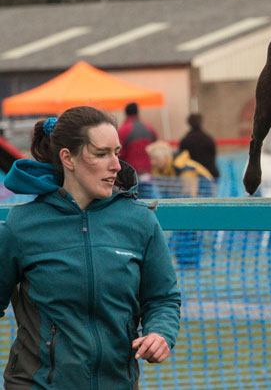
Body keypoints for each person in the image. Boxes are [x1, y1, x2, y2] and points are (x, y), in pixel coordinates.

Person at [0, 106, 180, 389]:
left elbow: (163, 299)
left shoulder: (140, 221)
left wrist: (160, 333)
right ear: (67, 158)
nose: (116, 165)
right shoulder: (21, 226)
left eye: (117, 152)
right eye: (101, 153)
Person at [146, 140, 214, 268]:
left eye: (155, 159)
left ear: (165, 157)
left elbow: (190, 194)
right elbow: (164, 192)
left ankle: (192, 259)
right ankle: (184, 257)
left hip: (202, 192)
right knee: (180, 228)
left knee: (190, 225)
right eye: (151, 159)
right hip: (181, 195)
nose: (152, 162)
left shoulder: (183, 166)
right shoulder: (158, 169)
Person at [118, 101, 158, 175]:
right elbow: (156, 147)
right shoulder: (149, 128)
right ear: (138, 112)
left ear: (126, 113)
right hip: (148, 169)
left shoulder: (123, 130)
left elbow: (119, 153)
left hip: (131, 171)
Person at [178, 113, 219, 179]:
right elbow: (213, 155)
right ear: (201, 122)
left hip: (192, 175)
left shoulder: (185, 141)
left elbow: (182, 159)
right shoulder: (208, 139)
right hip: (210, 174)